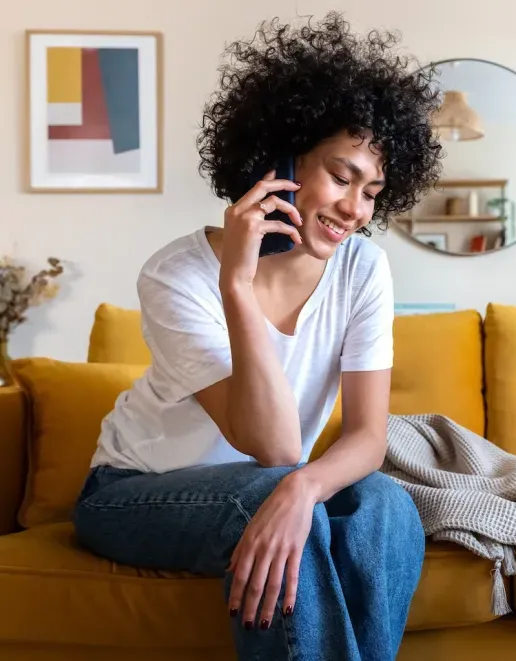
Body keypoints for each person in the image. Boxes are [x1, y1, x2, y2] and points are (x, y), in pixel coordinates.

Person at [71, 12, 443, 661]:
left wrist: (303, 487)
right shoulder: (176, 276)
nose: (357, 210)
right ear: (279, 156)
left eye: (374, 190)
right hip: (132, 492)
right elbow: (272, 444)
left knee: (385, 505)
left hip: (269, 480)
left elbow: (366, 437)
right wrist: (237, 287)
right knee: (271, 501)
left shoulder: (363, 270)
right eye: (341, 175)